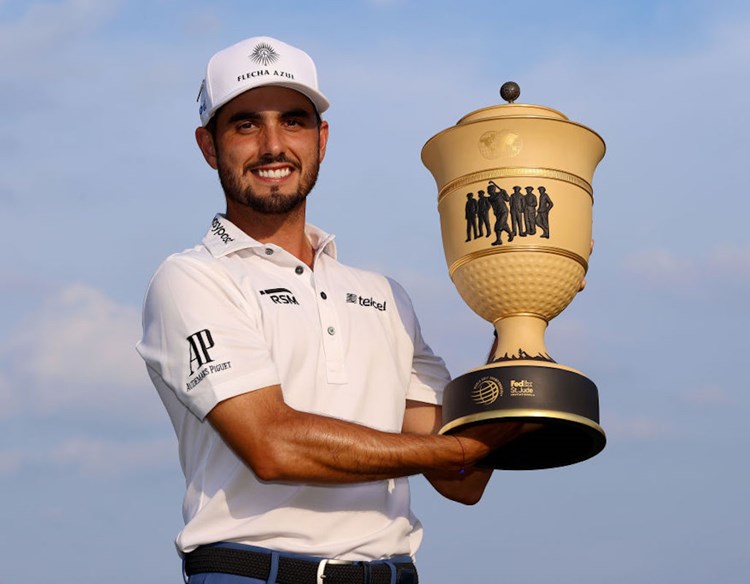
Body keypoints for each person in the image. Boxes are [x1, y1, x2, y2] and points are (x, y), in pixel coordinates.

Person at [136, 36, 525, 584]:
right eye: (246, 125)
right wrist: (453, 450)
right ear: (208, 145)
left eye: (293, 121)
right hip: (252, 574)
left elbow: (463, 479)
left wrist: (515, 314)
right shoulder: (192, 278)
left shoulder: (386, 295)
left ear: (321, 139)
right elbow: (272, 444)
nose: (273, 145)